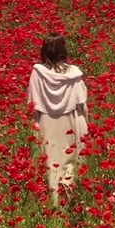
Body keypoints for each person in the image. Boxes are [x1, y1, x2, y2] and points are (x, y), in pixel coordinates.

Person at [27, 35, 89, 206]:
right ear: (63, 50)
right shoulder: (74, 73)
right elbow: (82, 103)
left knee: (51, 163)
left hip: (47, 122)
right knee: (69, 161)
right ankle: (67, 196)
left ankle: (54, 203)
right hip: (70, 120)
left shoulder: (38, 72)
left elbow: (33, 103)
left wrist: (35, 125)